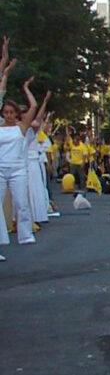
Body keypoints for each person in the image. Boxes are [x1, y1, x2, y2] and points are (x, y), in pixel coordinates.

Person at [0, 75, 41, 248]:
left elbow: (34, 106)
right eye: (6, 112)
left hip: (18, 169)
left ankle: (26, 235)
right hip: (1, 168)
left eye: (12, 112)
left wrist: (26, 88)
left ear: (17, 113)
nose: (9, 115)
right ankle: (2, 238)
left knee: (21, 203)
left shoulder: (21, 127)